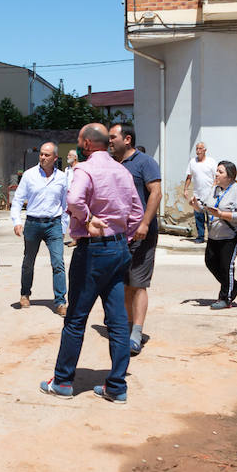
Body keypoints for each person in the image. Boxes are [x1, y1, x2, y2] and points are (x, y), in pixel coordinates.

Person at [40, 123, 143, 404]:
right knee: (118, 320)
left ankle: (62, 381)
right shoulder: (122, 170)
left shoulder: (84, 169)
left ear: (86, 144)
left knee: (76, 318)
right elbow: (137, 212)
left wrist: (86, 219)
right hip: (119, 248)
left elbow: (73, 199)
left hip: (93, 250)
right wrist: (124, 238)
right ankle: (117, 386)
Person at [109, 123, 162, 357]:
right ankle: (126, 327)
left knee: (138, 282)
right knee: (122, 283)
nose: (109, 141)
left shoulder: (145, 162)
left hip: (141, 233)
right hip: (117, 234)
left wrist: (145, 223)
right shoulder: (113, 164)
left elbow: (156, 193)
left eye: (113, 137)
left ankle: (136, 334)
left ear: (127, 139)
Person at [10, 142, 69, 316]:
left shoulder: (62, 177)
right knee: (28, 262)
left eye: (47, 155)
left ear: (55, 158)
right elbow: (18, 200)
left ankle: (60, 301)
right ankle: (25, 293)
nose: (43, 157)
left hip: (54, 224)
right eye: (41, 154)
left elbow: (66, 204)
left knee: (58, 263)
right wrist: (16, 221)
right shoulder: (29, 175)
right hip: (33, 224)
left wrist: (63, 226)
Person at [192, 160, 237, 309]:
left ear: (230, 176)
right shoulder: (215, 189)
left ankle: (225, 298)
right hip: (214, 236)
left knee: (226, 267)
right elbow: (205, 207)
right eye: (217, 171)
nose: (217, 174)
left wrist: (222, 214)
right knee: (210, 262)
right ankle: (234, 286)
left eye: (220, 172)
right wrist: (196, 205)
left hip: (230, 237)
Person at [182, 142, 216, 243]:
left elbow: (216, 176)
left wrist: (214, 188)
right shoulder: (192, 162)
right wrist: (185, 189)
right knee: (198, 217)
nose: (198, 151)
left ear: (205, 150)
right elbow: (189, 176)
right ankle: (200, 236)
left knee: (210, 218)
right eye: (197, 148)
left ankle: (211, 238)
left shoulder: (211, 162)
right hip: (197, 194)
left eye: (200, 148)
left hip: (210, 194)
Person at [63, 148, 80, 248]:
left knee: (76, 219)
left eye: (69, 155)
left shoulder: (79, 168)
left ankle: (76, 238)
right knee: (65, 218)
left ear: (75, 157)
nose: (67, 157)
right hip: (67, 197)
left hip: (76, 197)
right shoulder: (67, 170)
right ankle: (63, 237)